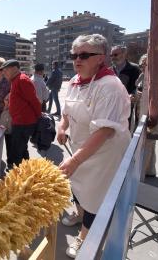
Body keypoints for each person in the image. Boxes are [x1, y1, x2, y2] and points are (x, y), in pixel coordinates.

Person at [56, 34, 130, 258]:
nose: (77, 60)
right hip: (81, 147)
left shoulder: (109, 86)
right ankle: (79, 213)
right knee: (77, 186)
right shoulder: (74, 82)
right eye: (74, 55)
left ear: (101, 58)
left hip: (104, 152)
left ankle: (85, 238)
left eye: (84, 55)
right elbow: (66, 112)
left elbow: (105, 130)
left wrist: (76, 159)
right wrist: (62, 127)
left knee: (95, 196)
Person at [0, 59, 41, 168]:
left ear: (14, 68)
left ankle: (20, 176)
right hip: (19, 121)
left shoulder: (22, 80)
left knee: (18, 151)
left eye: (5, 70)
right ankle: (26, 173)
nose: (4, 73)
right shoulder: (15, 80)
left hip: (24, 123)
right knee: (21, 149)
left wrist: (39, 117)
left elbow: (34, 101)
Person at [110, 45, 141, 129]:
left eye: (115, 55)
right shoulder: (109, 70)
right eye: (111, 55)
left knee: (124, 130)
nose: (113, 57)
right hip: (111, 106)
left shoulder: (134, 69)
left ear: (124, 54)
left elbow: (138, 86)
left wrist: (134, 94)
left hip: (127, 107)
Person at [0, 94, 12, 167]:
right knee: (9, 142)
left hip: (11, 122)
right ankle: (10, 162)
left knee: (10, 143)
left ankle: (10, 162)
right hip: (8, 120)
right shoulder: (11, 93)